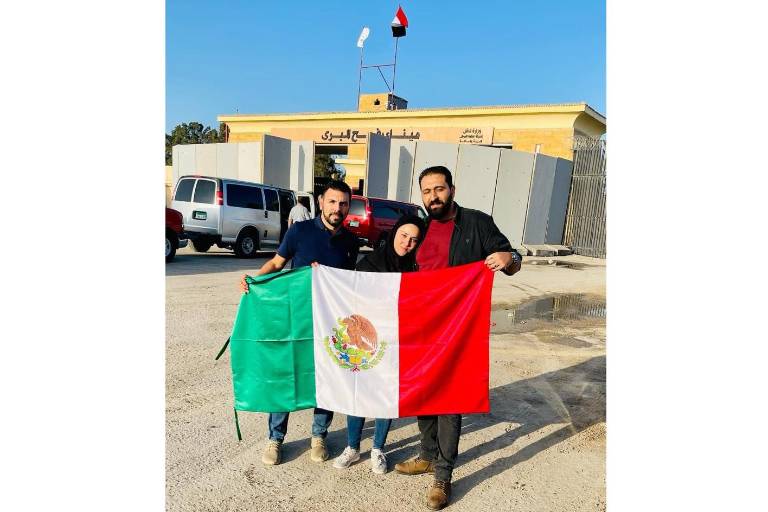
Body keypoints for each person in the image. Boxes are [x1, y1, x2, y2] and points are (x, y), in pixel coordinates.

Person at [393, 166, 522, 511]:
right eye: (426, 191)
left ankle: (443, 475)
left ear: (452, 189)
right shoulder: (419, 228)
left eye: (439, 189)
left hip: (457, 328)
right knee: (422, 391)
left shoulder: (477, 223)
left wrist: (510, 258)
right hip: (421, 326)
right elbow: (390, 262)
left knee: (449, 398)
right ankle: (426, 455)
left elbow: (512, 259)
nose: (433, 196)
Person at [239, 180, 359, 466]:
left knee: (326, 377)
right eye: (333, 201)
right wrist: (253, 281)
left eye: (343, 203)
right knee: (286, 374)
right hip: (296, 320)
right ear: (321, 202)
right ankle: (275, 438)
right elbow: (277, 263)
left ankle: (319, 435)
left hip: (330, 323)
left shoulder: (351, 242)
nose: (338, 208)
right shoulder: (300, 231)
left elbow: (351, 283)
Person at [332, 214, 427, 475]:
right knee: (358, 393)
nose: (407, 243)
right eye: (404, 236)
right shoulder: (369, 264)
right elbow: (349, 297)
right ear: (394, 233)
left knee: (386, 394)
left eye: (414, 240)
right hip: (368, 341)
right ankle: (352, 447)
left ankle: (377, 448)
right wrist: (323, 276)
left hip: (396, 343)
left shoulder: (415, 268)